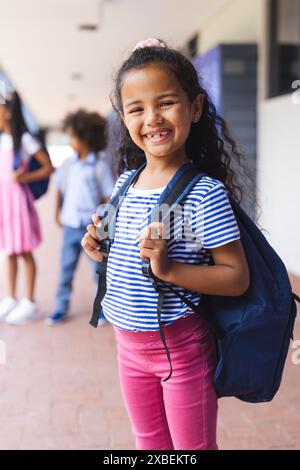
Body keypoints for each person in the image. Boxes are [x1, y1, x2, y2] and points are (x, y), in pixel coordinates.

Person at [81, 38, 250, 450]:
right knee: (149, 442)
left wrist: (170, 270)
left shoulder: (203, 193)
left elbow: (236, 278)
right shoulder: (125, 183)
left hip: (181, 349)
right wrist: (98, 246)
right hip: (128, 347)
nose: (152, 117)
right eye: (137, 108)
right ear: (124, 118)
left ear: (194, 108)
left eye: (166, 102)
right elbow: (116, 250)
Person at [46, 109, 115, 325]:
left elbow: (107, 196)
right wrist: (56, 214)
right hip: (69, 225)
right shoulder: (67, 165)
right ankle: (60, 307)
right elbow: (59, 190)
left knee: (98, 269)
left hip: (91, 227)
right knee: (66, 268)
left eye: (72, 136)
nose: (70, 140)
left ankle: (103, 309)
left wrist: (105, 225)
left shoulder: (100, 165)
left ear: (85, 138)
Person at [0, 90, 54, 325]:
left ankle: (29, 301)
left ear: (8, 111)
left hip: (18, 202)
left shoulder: (24, 139)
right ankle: (11, 298)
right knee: (10, 251)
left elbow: (48, 167)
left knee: (24, 250)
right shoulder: (2, 139)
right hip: (4, 201)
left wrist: (25, 177)